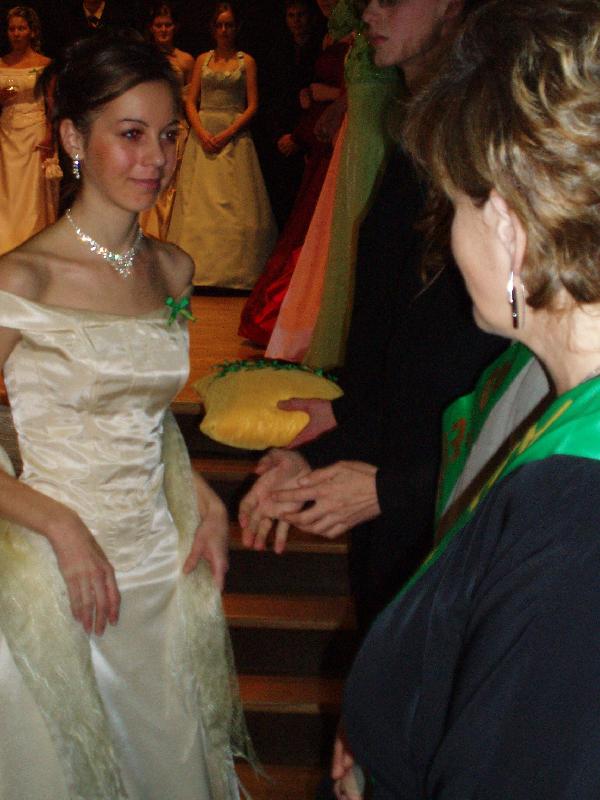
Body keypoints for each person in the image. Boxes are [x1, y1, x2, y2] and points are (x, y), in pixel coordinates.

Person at [334, 1, 600, 796]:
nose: (450, 235)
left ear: (509, 230)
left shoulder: (573, 510)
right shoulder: (552, 398)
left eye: (454, 203)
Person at [0, 32, 249, 800]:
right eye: (131, 134)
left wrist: (202, 496)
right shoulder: (23, 279)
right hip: (60, 572)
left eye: (169, 135)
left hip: (158, 566)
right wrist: (61, 526)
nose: (156, 158)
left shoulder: (174, 270)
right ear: (74, 139)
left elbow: (145, 415)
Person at [239, 0, 505, 633]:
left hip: (450, 517)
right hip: (405, 482)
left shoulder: (488, 139)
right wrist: (339, 434)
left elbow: (501, 397)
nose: (370, 9)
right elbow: (400, 333)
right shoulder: (421, 131)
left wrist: (397, 488)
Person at [265, 0, 401, 367]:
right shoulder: (359, 36)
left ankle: (367, 345)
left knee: (370, 232)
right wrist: (337, 109)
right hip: (353, 140)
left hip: (381, 139)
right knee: (343, 235)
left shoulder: (401, 36)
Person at [238, 0, 350, 344]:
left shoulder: (360, 37)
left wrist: (329, 97)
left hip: (339, 135)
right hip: (312, 133)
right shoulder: (325, 37)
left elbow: (361, 89)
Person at [168, 2, 276, 289]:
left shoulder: (246, 61)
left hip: (234, 134)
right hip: (204, 133)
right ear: (212, 29)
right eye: (219, 25)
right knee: (200, 202)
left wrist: (229, 132)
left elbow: (252, 105)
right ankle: (198, 270)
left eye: (228, 25)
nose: (224, 30)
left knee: (235, 202)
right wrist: (201, 131)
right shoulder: (202, 60)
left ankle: (236, 273)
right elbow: (191, 101)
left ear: (236, 28)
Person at [256, 0, 325, 230]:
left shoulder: (320, 48)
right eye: (291, 16)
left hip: (309, 134)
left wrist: (299, 136)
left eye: (300, 15)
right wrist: (278, 135)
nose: (296, 21)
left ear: (310, 17)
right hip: (279, 136)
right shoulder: (278, 51)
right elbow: (270, 97)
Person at [0, 6, 55, 255]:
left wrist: (50, 134)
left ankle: (32, 241)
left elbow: (52, 103)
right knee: (8, 189)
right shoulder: (1, 63)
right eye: (12, 29)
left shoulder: (45, 64)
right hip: (7, 132)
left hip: (34, 130)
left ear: (31, 32)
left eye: (21, 28)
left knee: (31, 191)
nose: (16, 33)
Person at [139, 3, 193, 240]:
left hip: (176, 127)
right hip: (151, 128)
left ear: (175, 27)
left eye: (167, 25)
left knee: (174, 185)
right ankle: (148, 236)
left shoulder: (186, 60)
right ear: (151, 28)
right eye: (159, 25)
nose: (163, 30)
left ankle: (170, 236)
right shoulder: (143, 58)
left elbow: (192, 100)